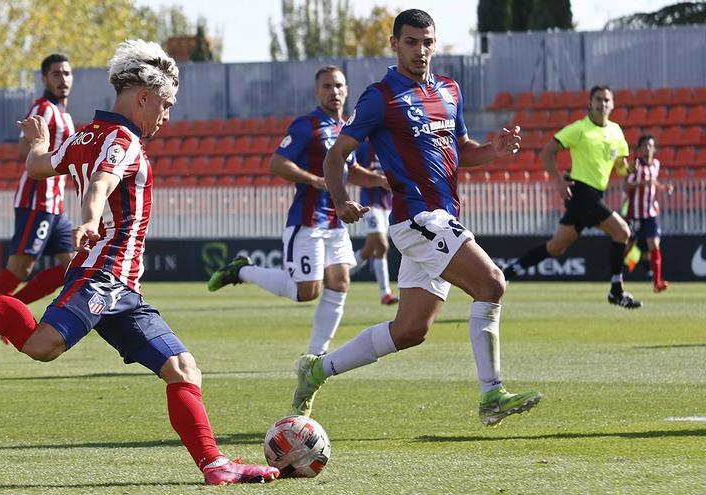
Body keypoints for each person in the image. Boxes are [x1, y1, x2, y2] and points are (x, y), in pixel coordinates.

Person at [0, 40, 279, 485]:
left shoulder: (85, 134)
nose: (166, 118)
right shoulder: (123, 140)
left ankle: (215, 466)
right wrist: (90, 219)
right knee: (40, 346)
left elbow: (38, 167)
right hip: (103, 273)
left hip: (123, 288)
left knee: (184, 369)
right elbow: (99, 184)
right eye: (165, 106)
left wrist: (37, 142)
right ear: (143, 97)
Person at [290, 9, 543, 427]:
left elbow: (461, 149)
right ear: (394, 44)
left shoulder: (449, 89)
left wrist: (493, 150)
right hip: (418, 219)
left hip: (441, 219)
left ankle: (316, 370)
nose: (421, 50)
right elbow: (337, 156)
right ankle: (492, 393)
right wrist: (340, 201)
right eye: (411, 42)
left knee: (409, 331)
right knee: (491, 282)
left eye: (427, 42)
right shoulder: (380, 96)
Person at [207, 65, 388, 356]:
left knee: (340, 282)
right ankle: (242, 271)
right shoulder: (307, 126)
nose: (334, 92)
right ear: (317, 92)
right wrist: (313, 179)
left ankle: (315, 356)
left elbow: (350, 170)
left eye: (339, 86)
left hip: (335, 222)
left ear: (347, 90)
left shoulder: (348, 130)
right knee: (306, 292)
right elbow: (277, 163)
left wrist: (381, 180)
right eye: (327, 86)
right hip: (307, 220)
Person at [0, 53, 77, 365]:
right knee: (19, 269)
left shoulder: (64, 114)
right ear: (44, 79)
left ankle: (10, 310)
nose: (62, 79)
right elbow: (22, 150)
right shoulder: (42, 109)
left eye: (67, 73)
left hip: (56, 206)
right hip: (36, 202)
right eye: (56, 74)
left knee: (73, 267)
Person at [502, 85, 641, 309]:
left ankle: (507, 271)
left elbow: (621, 167)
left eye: (606, 100)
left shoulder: (616, 132)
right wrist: (558, 181)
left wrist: (629, 169)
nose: (602, 103)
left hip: (595, 195)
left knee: (556, 247)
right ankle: (616, 290)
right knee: (622, 231)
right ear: (590, 103)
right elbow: (547, 152)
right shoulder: (579, 129)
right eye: (598, 99)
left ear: (612, 104)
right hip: (581, 193)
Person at [350, 139, 399, 305]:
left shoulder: (392, 145)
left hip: (387, 205)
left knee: (370, 250)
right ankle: (386, 293)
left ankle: (340, 274)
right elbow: (351, 170)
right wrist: (373, 176)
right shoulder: (364, 146)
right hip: (370, 205)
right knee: (382, 245)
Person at [624, 134, 673, 292]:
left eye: (651, 146)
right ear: (639, 149)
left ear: (655, 149)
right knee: (627, 247)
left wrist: (664, 187)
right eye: (645, 146)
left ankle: (657, 282)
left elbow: (653, 182)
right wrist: (644, 183)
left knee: (655, 245)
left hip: (651, 213)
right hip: (635, 213)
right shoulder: (635, 165)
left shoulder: (656, 164)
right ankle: (616, 277)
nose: (648, 148)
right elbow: (627, 186)